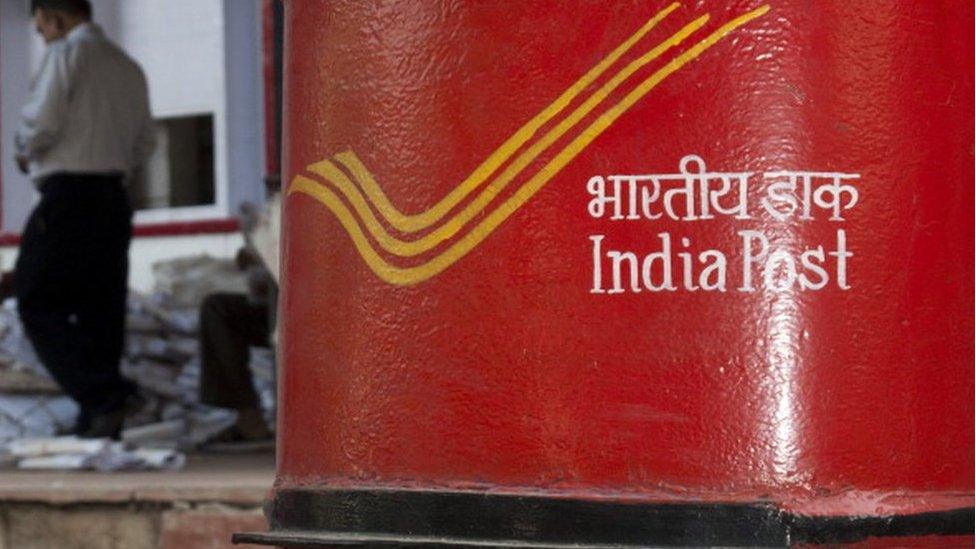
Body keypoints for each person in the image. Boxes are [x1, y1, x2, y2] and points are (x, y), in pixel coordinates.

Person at [13, 0, 155, 439]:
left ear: (55, 19)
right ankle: (97, 421)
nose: (43, 37)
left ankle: (104, 394)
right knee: (100, 308)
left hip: (67, 195)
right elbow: (145, 142)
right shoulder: (129, 67)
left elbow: (41, 123)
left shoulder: (65, 55)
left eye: (41, 28)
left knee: (35, 297)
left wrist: (24, 150)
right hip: (113, 195)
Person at [199, 182, 281, 445]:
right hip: (275, 305)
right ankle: (248, 417)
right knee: (218, 309)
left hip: (313, 314)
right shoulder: (275, 213)